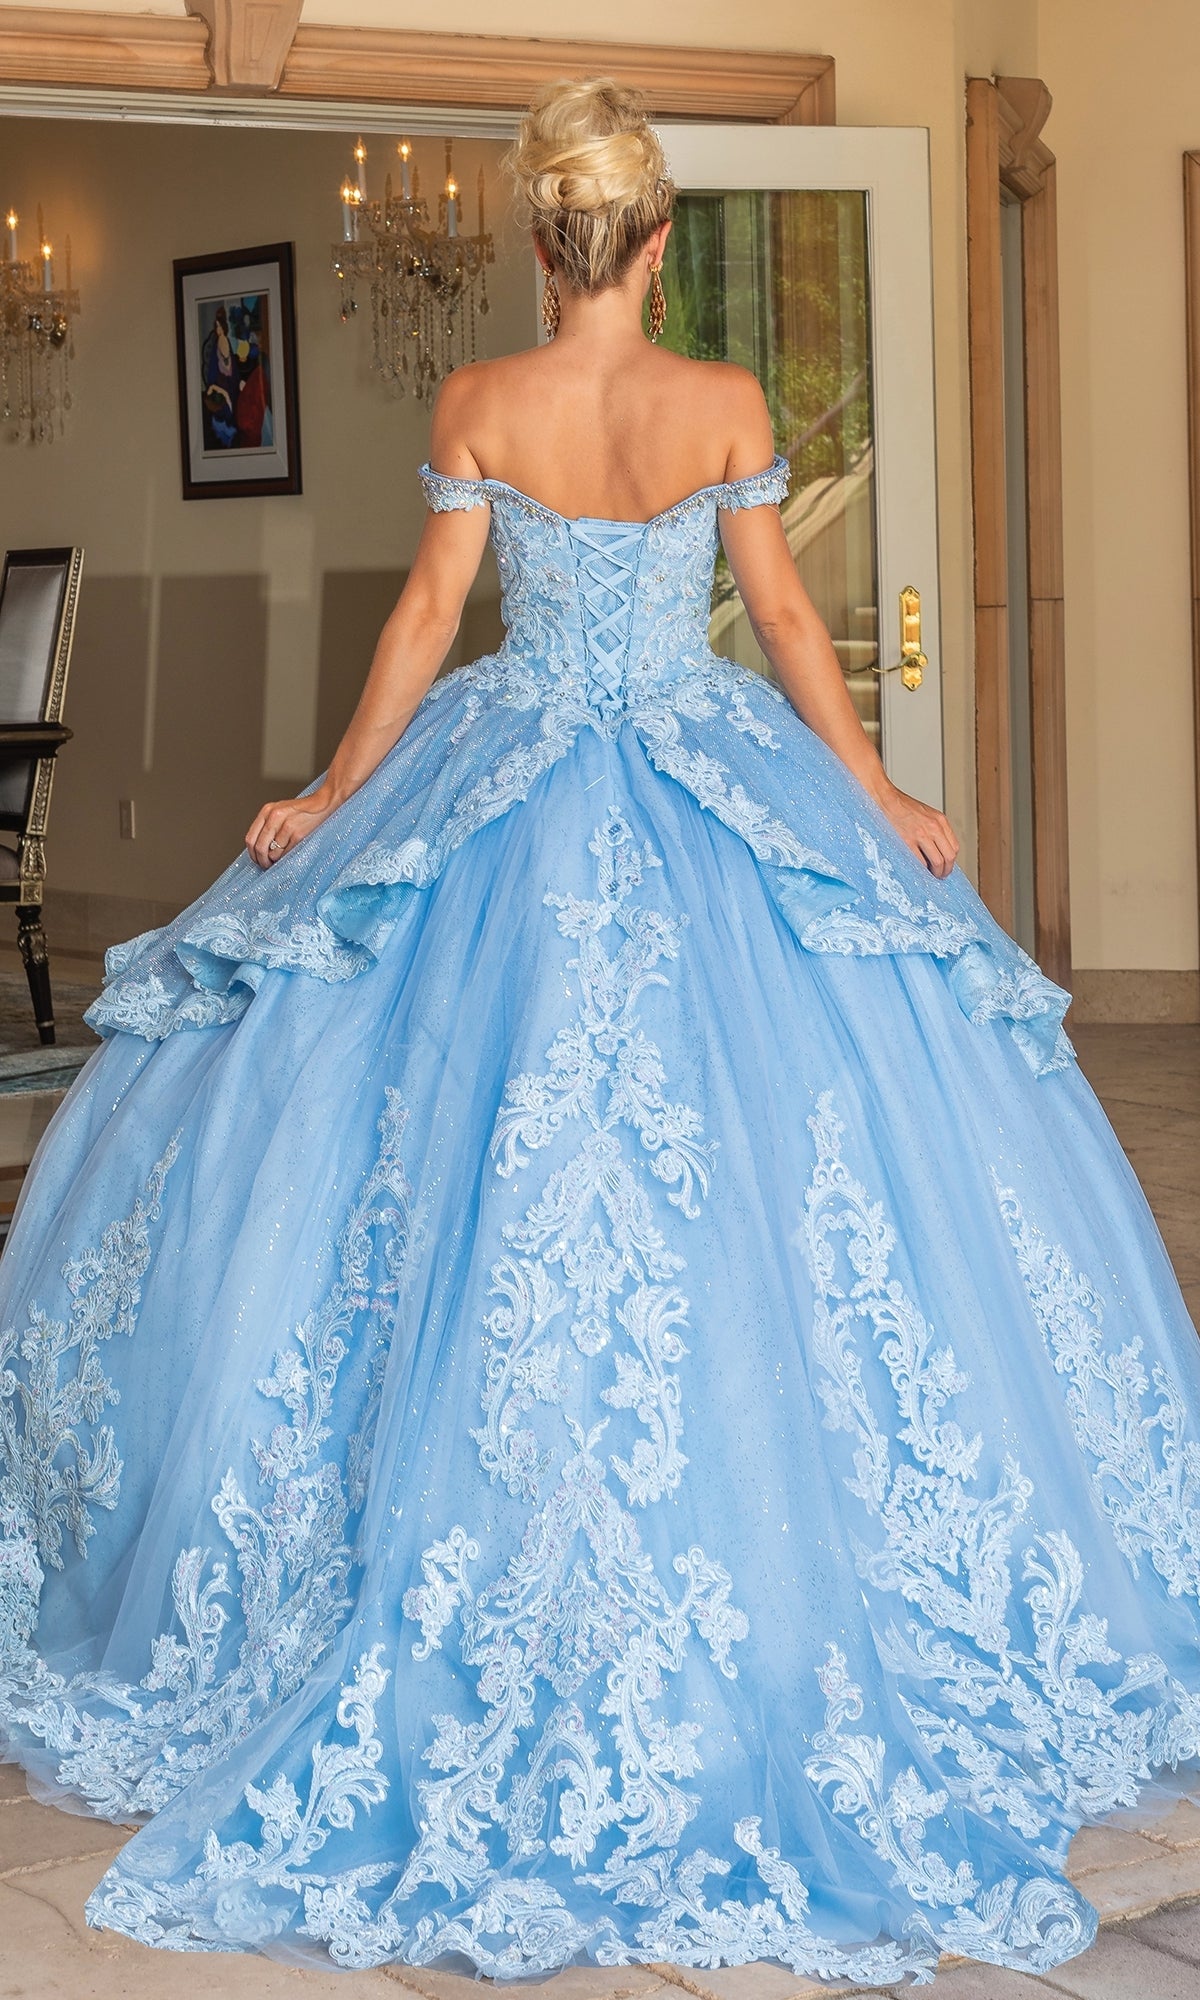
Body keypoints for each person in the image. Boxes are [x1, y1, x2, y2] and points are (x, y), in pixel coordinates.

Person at [1, 77, 1198, 1987]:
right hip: (708, 779)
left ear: (539, 242)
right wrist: (874, 796)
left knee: (435, 1165)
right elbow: (790, 625)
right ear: (648, 241)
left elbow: (425, 624)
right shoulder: (721, 405)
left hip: (506, 783)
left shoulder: (483, 403)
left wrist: (328, 794)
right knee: (767, 1188)